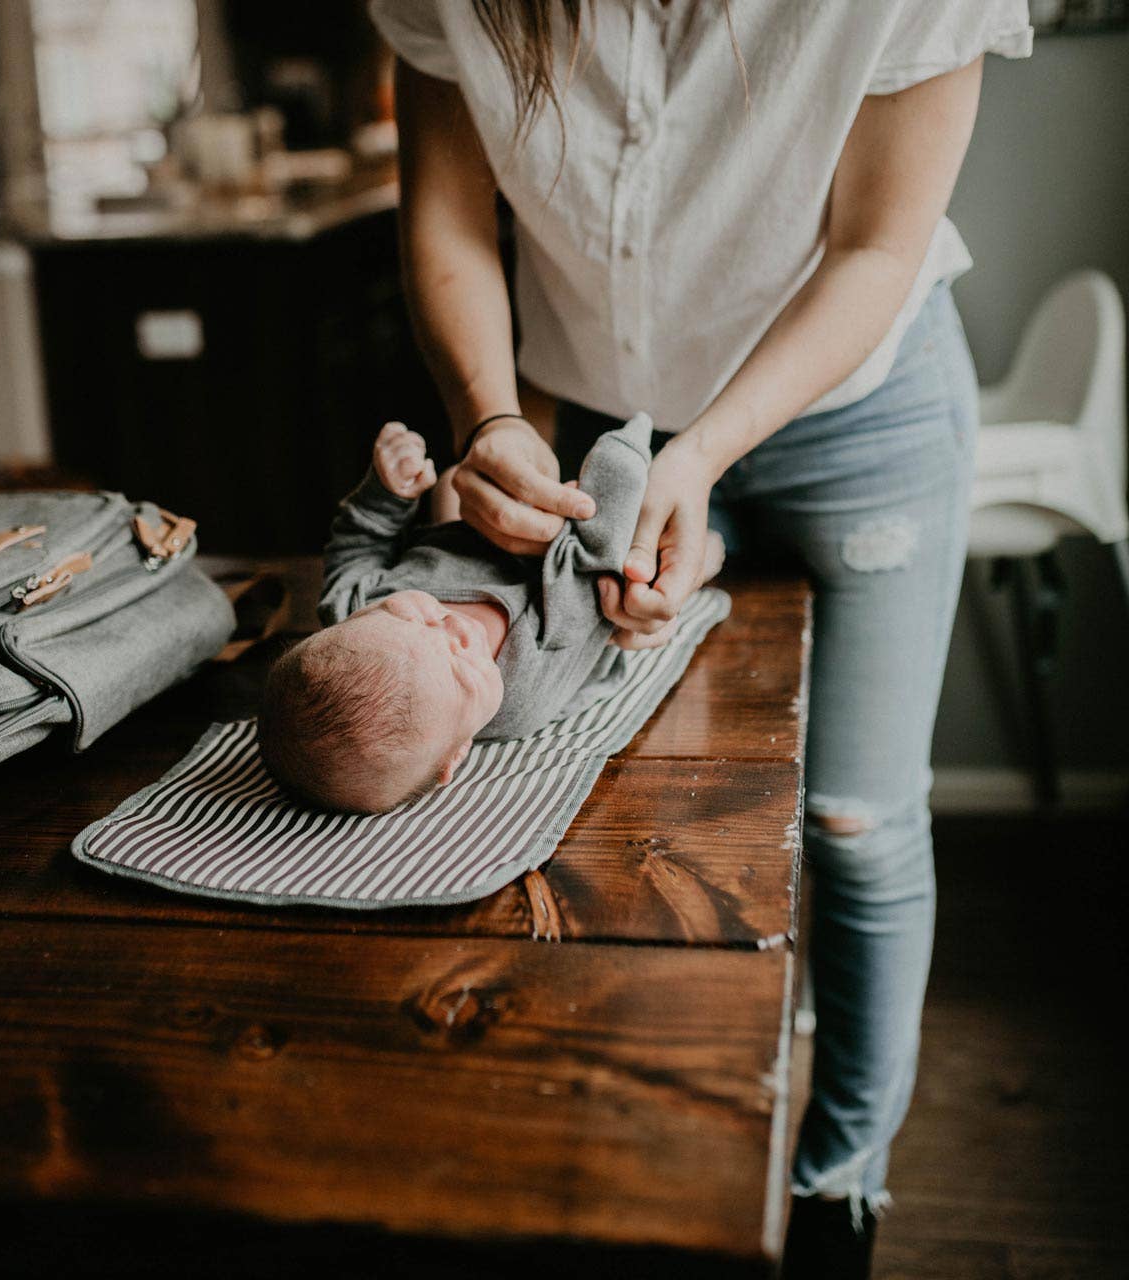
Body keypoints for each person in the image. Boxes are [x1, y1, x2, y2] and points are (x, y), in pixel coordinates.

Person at [367, 0, 1033, 1273]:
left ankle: (840, 1181)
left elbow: (876, 246)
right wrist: (488, 414)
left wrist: (710, 452)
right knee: (624, 801)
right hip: (595, 423)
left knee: (853, 814)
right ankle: (643, 1150)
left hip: (858, 420)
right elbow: (449, 213)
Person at [259, 415, 722, 812]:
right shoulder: (520, 693)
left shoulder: (349, 605)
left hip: (470, 534)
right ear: (455, 754)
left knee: (450, 482)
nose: (453, 627)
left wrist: (386, 494)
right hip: (571, 589)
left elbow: (358, 545)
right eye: (460, 667)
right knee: (664, 570)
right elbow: (589, 580)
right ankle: (708, 557)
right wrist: (613, 475)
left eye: (407, 615)